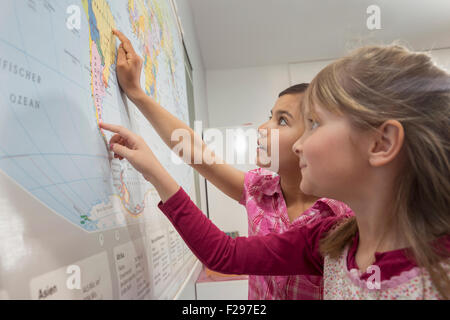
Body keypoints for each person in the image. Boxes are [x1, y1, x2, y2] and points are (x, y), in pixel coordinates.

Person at [101, 43, 450, 299]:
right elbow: (198, 159)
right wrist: (137, 95)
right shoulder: (273, 198)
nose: (262, 129)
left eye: (307, 123)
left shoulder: (340, 226)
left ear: (381, 143)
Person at [110, 29, 351, 300]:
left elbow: (223, 254)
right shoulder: (260, 188)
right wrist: (136, 93)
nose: (263, 128)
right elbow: (194, 151)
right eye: (269, 116)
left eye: (282, 121)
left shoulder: (340, 220)